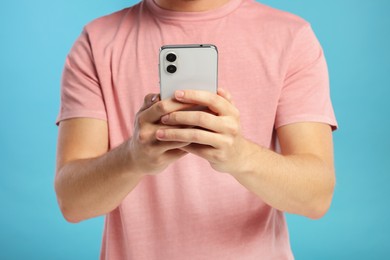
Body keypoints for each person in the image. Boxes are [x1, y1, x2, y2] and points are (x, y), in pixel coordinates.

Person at [55, 0, 337, 259]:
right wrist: (132, 157)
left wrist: (241, 157)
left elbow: (316, 197)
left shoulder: (291, 37)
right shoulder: (97, 41)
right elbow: (72, 202)